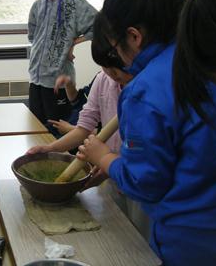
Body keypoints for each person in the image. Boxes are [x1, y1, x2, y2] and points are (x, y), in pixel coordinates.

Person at [74, 0, 216, 266]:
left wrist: (104, 157)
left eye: (116, 47)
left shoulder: (145, 91)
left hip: (189, 240)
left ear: (133, 36)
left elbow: (145, 183)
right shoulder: (203, 61)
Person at [26, 23, 151, 239]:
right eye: (104, 67)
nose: (111, 74)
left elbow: (148, 149)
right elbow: (84, 128)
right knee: (116, 233)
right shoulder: (103, 81)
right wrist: (50, 148)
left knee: (141, 240)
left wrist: (106, 159)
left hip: (140, 180)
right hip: (111, 173)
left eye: (116, 68)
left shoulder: (145, 90)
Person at [28, 0, 97, 131]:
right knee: (35, 125)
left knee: (56, 128)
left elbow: (99, 25)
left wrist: (73, 42)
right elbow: (33, 36)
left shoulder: (74, 3)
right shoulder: (38, 5)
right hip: (36, 78)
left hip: (59, 81)